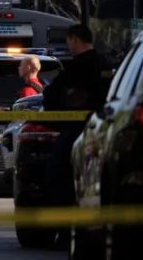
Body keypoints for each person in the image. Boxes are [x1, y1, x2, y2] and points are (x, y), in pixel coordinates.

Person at [42, 24, 114, 241]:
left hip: (75, 132)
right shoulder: (106, 66)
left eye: (68, 41)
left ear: (74, 39)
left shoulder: (74, 69)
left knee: (60, 178)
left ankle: (66, 232)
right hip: (105, 133)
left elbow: (52, 97)